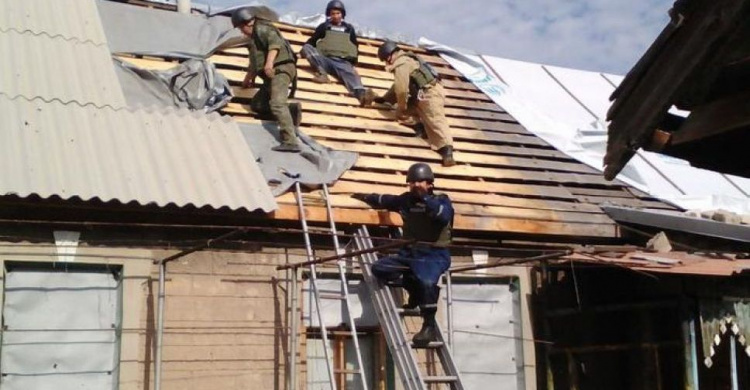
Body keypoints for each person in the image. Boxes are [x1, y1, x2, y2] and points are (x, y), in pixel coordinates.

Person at [352, 163, 453, 345]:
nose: (415, 185)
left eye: (420, 182)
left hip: (434, 254)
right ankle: (413, 288)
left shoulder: (441, 201)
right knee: (380, 269)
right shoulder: (406, 201)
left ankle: (428, 325)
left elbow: (443, 216)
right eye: (412, 182)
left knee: (428, 281)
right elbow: (386, 200)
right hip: (410, 254)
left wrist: (426, 202)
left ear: (430, 184)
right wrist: (365, 197)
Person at [233, 7, 303, 152]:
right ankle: (291, 112)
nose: (242, 32)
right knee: (257, 105)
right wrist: (248, 79)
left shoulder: (263, 29)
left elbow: (274, 44)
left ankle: (291, 141)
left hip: (280, 69)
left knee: (277, 103)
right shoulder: (254, 40)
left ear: (247, 23)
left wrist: (269, 63)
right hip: (272, 75)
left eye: (241, 28)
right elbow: (254, 63)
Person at [375, 41, 456, 167]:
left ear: (390, 55)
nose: (386, 63)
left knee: (435, 120)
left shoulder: (401, 63)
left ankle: (447, 151)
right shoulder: (408, 59)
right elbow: (398, 86)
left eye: (385, 60)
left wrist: (402, 106)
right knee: (404, 114)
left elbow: (401, 89)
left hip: (429, 93)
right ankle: (419, 127)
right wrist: (385, 99)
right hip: (421, 95)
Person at [300, 1, 375, 106]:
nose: (335, 16)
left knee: (353, 79)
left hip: (343, 62)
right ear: (329, 15)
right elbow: (311, 42)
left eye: (338, 13)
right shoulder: (324, 27)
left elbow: (354, 47)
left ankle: (363, 97)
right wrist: (302, 53)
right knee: (306, 48)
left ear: (342, 14)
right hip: (325, 59)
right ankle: (322, 74)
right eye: (333, 14)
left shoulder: (349, 29)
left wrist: (353, 64)